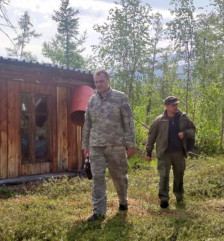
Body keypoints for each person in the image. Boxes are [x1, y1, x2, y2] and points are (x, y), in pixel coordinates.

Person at [82, 69, 137, 222]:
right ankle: (99, 212)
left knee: (119, 176)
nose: (98, 84)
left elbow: (128, 122)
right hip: (96, 145)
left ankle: (123, 201)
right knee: (97, 177)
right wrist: (85, 144)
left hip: (116, 144)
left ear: (108, 80)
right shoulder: (92, 100)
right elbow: (87, 123)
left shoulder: (120, 98)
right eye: (96, 82)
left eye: (101, 81)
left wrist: (131, 143)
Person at [146, 96, 196, 209]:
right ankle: (164, 199)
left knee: (179, 175)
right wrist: (148, 152)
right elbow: (151, 137)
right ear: (167, 106)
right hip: (164, 153)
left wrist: (185, 133)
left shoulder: (184, 118)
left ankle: (179, 196)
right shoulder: (159, 120)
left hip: (179, 153)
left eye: (177, 104)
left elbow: (193, 130)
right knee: (163, 176)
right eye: (173, 105)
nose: (176, 107)